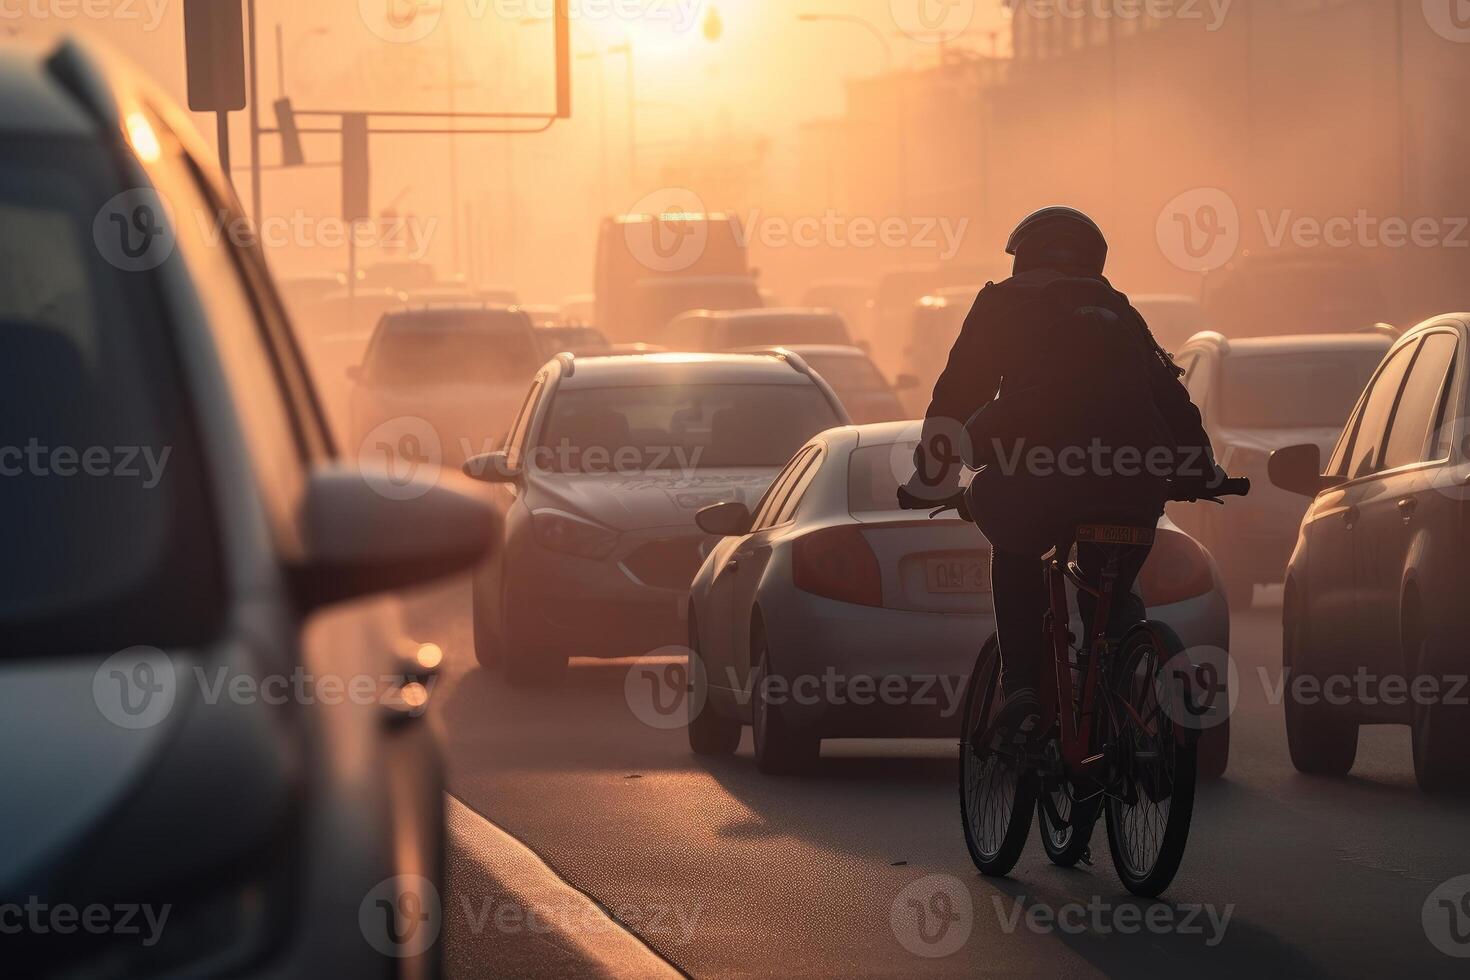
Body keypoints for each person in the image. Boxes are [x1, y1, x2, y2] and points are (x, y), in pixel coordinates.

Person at [898, 206, 1217, 709]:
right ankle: (1120, 685)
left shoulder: (1002, 304)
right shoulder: (1118, 309)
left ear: (1022, 257)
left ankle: (1022, 691)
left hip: (1038, 483)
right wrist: (1203, 471)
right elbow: (1169, 397)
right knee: (1109, 588)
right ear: (1096, 260)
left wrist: (932, 477)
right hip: (1133, 485)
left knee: (1016, 550)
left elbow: (957, 396)